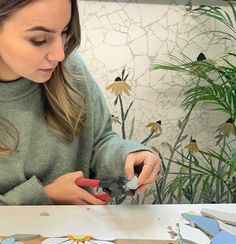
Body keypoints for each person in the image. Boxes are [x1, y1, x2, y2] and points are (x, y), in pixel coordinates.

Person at [0, 0, 160, 205]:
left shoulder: (70, 68)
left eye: (65, 32)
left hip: (79, 230)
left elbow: (99, 143)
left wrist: (127, 156)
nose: (59, 54)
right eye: (39, 39)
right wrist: (45, 195)